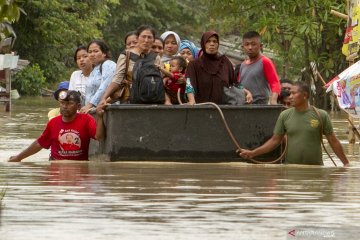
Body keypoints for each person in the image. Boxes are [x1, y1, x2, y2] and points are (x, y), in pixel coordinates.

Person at [239, 81, 350, 166]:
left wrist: (346, 164)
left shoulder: (321, 115)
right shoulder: (284, 115)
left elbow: (333, 142)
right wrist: (253, 153)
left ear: (305, 95)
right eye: (289, 93)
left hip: (315, 169)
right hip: (291, 168)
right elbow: (274, 140)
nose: (290, 96)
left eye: (293, 93)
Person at [9, 90, 104, 162]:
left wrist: (100, 117)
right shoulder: (53, 123)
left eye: (70, 103)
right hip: (56, 164)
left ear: (78, 106)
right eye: (62, 103)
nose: (65, 106)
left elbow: (99, 137)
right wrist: (18, 157)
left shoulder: (86, 119)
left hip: (79, 165)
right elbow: (39, 144)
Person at [97, 25, 160, 107]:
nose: (146, 40)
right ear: (137, 38)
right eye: (143, 37)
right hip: (130, 100)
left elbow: (159, 80)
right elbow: (117, 79)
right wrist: (104, 98)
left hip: (151, 100)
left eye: (149, 37)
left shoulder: (156, 57)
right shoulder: (126, 55)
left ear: (153, 40)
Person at [186, 31, 252, 104]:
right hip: (201, 109)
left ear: (218, 44)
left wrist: (247, 92)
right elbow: (189, 85)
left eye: (215, 41)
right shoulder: (194, 65)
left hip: (223, 110)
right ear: (203, 44)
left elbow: (234, 83)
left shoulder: (225, 62)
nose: (212, 44)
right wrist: (192, 101)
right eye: (208, 41)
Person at [238, 31, 281, 104]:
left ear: (260, 46)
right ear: (243, 47)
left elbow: (274, 82)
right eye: (247, 44)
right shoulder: (242, 65)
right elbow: (239, 85)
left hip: (260, 105)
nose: (250, 47)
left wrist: (273, 100)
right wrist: (245, 92)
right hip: (244, 104)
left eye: (253, 44)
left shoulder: (265, 61)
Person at [80, 40, 116, 113]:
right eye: (90, 52)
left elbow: (104, 86)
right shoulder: (94, 70)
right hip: (92, 111)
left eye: (96, 51)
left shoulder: (108, 64)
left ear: (104, 53)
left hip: (107, 111)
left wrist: (90, 105)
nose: (92, 54)